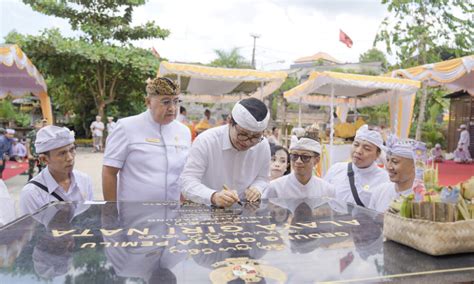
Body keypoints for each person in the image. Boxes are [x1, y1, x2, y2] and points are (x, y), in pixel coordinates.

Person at [102, 77, 191, 202]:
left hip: (173, 215)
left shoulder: (184, 132)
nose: (172, 108)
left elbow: (183, 174)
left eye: (176, 101)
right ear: (148, 102)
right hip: (135, 216)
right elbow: (109, 172)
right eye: (165, 102)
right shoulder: (127, 127)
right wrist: (110, 213)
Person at [180, 98, 271, 207]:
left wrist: (257, 188)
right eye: (243, 134)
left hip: (243, 214)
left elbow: (263, 178)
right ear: (229, 121)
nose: (247, 142)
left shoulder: (263, 144)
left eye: (256, 137)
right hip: (206, 211)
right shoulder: (206, 141)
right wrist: (213, 196)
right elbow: (187, 182)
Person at [19, 125, 94, 215]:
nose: (70, 158)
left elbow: (89, 217)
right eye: (62, 153)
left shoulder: (84, 180)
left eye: (72, 150)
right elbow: (32, 228)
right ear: (44, 159)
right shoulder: (32, 194)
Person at [324, 125, 389, 207]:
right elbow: (323, 198)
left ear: (377, 154)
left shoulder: (384, 180)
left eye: (367, 148)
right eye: (356, 145)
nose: (358, 151)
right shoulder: (336, 169)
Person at [264, 137, 334, 199]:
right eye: (294, 156)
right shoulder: (275, 188)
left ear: (316, 160)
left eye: (305, 157)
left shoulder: (326, 190)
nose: (298, 161)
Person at [368, 135, 416, 213]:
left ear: (414, 165)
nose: (388, 167)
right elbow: (368, 221)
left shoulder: (423, 198)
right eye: (387, 160)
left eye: (395, 161)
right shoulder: (380, 191)